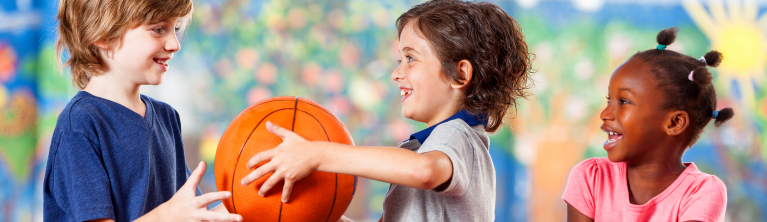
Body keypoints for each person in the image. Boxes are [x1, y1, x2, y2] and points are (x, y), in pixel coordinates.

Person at [240, 0, 534, 221]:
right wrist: (319, 214)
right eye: (399, 59)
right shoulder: (425, 146)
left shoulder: (457, 137)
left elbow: (426, 171)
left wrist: (315, 154)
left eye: (410, 58)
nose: (396, 73)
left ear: (460, 74)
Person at [44, 0, 242, 221]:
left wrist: (255, 194)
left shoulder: (167, 118)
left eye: (175, 28)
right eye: (158, 30)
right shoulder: (80, 124)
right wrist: (167, 215)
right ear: (102, 34)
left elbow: (194, 216)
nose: (175, 44)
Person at [563, 27, 732, 222]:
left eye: (624, 102)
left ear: (675, 122)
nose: (605, 114)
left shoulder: (701, 192)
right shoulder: (591, 178)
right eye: (608, 100)